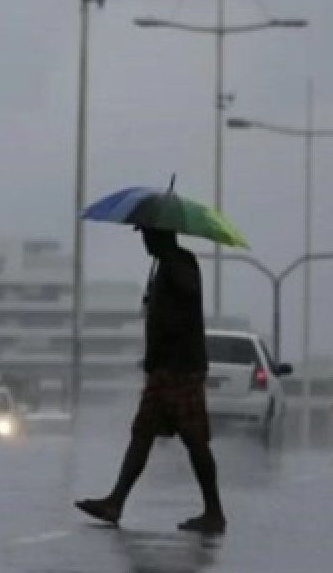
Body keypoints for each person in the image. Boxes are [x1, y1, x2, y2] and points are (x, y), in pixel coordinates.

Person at [75, 227, 226, 535]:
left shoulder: (180, 263)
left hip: (181, 368)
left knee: (195, 441)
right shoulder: (163, 267)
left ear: (162, 236)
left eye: (147, 235)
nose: (144, 241)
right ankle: (115, 501)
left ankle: (214, 512)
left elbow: (189, 294)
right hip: (162, 369)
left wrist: (167, 278)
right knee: (141, 434)